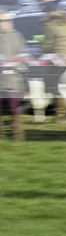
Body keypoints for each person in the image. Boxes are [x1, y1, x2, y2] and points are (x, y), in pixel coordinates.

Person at [0, 11, 26, 141]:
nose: (5, 23)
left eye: (7, 20)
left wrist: (17, 68)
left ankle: (17, 134)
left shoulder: (17, 36)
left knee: (13, 107)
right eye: (2, 21)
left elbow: (22, 55)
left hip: (12, 79)